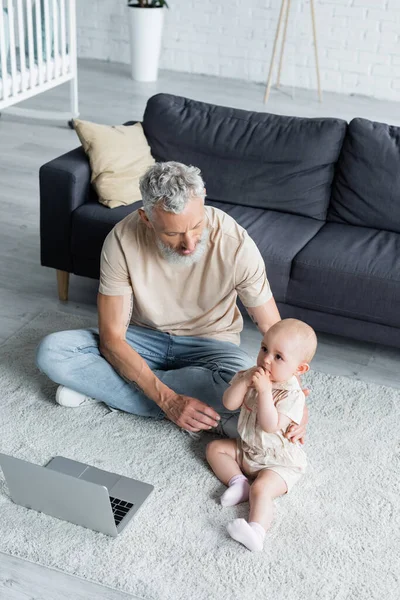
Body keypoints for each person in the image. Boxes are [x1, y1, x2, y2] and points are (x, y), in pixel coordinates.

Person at [36, 161, 308, 440]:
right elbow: (112, 339)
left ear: (203, 200)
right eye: (172, 233)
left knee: (244, 387)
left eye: (196, 226)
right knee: (52, 351)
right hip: (142, 339)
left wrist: (296, 405)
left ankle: (105, 386)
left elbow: (275, 332)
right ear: (146, 218)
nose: (189, 243)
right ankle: (160, 398)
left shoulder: (235, 242)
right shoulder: (121, 240)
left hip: (211, 347)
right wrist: (167, 401)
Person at [206, 318, 317, 551]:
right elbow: (229, 403)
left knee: (262, 489)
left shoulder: (292, 395)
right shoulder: (251, 375)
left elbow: (270, 424)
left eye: (278, 357)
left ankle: (256, 532)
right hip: (248, 449)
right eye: (264, 348)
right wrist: (244, 382)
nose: (266, 359)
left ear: (299, 369)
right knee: (215, 448)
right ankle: (238, 483)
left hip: (278, 463)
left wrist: (265, 391)